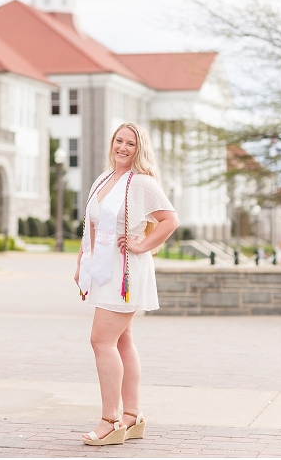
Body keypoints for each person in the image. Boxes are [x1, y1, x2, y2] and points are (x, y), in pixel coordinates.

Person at [74, 123, 179, 445]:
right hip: (102, 267)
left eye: (130, 143)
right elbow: (89, 226)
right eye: (118, 141)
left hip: (125, 272)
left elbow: (170, 220)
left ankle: (111, 421)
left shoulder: (142, 183)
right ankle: (132, 415)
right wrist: (82, 262)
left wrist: (141, 246)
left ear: (139, 149)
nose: (122, 147)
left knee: (100, 341)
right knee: (121, 341)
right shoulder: (103, 179)